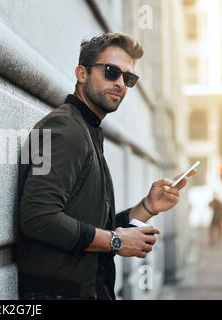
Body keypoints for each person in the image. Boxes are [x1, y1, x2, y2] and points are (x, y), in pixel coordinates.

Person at [16, 33, 192, 300]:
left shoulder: (87, 129)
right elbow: (37, 217)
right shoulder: (64, 129)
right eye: (111, 72)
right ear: (81, 73)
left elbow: (94, 226)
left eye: (128, 78)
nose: (120, 83)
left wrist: (147, 206)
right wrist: (117, 241)